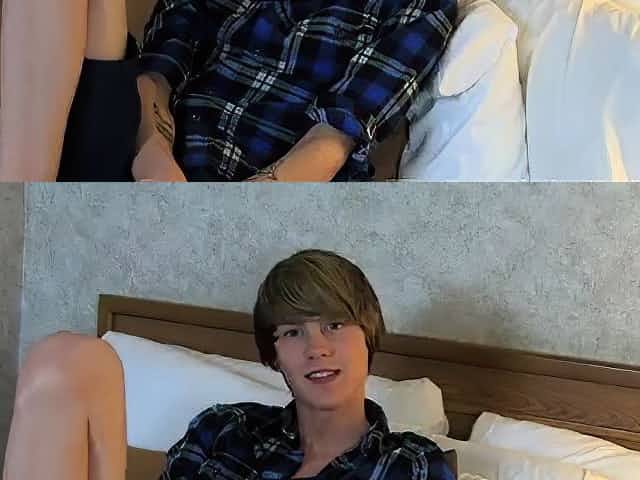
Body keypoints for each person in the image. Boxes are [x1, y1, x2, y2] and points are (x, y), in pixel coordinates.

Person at [2, 249, 456, 479]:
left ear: (368, 334)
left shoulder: (411, 463)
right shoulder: (225, 428)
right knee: (67, 357)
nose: (317, 348)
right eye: (292, 332)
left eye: (335, 325)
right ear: (273, 356)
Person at [0, 0, 457, 182]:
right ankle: (16, 199)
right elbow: (157, 71)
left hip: (266, 189)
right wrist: (152, 154)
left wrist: (213, 211)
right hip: (139, 157)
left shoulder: (420, 6)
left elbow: (333, 142)